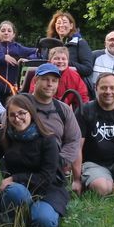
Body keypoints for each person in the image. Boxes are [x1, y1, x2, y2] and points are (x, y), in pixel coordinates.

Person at [0, 93, 68, 227]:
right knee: (15, 192)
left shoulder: (48, 140)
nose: (17, 119)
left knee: (44, 222)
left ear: (31, 113)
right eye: (12, 115)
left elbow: (47, 177)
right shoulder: (6, 136)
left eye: (21, 113)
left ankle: (33, 214)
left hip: (48, 190)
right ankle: (9, 224)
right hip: (18, 191)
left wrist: (14, 178)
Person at [28, 64, 84, 195]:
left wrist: (59, 161)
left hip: (54, 167)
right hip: (25, 164)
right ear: (36, 80)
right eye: (45, 79)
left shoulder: (63, 109)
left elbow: (74, 139)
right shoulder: (21, 103)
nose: (50, 84)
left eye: (54, 81)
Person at [0, 21, 38, 102]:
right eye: (3, 31)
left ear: (13, 34)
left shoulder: (18, 48)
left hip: (12, 90)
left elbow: (37, 52)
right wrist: (3, 57)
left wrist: (27, 59)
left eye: (9, 31)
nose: (6, 33)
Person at [45, 11, 94, 79]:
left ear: (71, 26)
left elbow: (88, 69)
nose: (61, 25)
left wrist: (64, 62)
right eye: (58, 23)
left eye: (64, 22)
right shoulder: (49, 44)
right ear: (55, 25)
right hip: (52, 82)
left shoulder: (80, 43)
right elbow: (43, 63)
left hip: (73, 83)